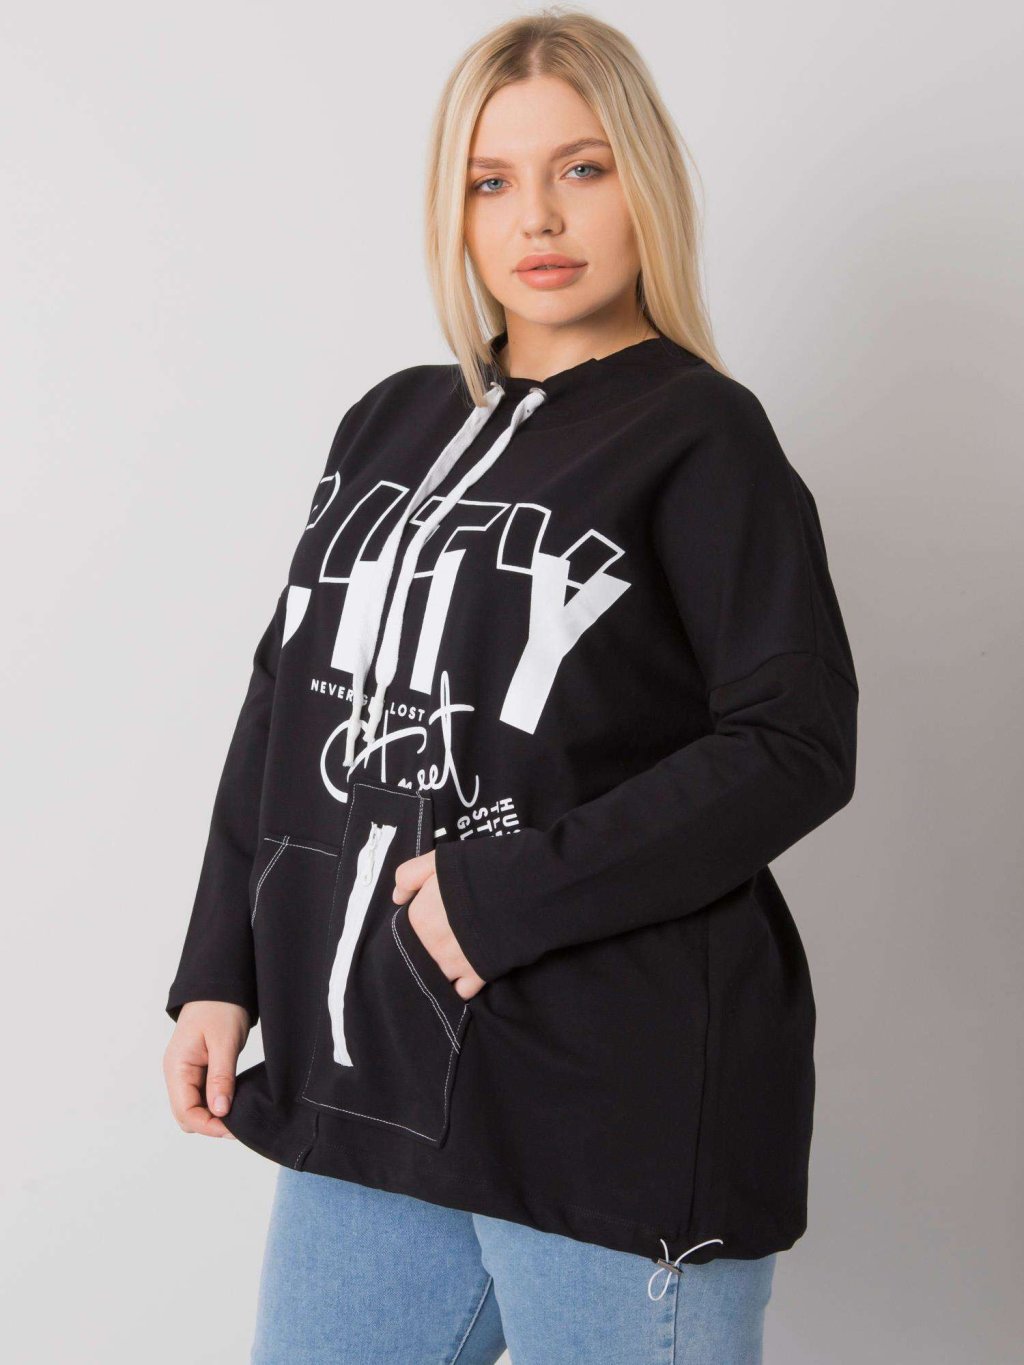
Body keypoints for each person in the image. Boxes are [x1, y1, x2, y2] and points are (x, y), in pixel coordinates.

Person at [162, 9, 858, 1363]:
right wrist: (220, 968)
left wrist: (504, 892)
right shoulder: (390, 421)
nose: (538, 216)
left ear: (645, 184)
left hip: (607, 1100)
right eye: (492, 181)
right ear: (454, 208)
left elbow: (795, 741)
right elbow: (284, 703)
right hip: (368, 1089)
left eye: (582, 168)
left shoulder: (703, 437)